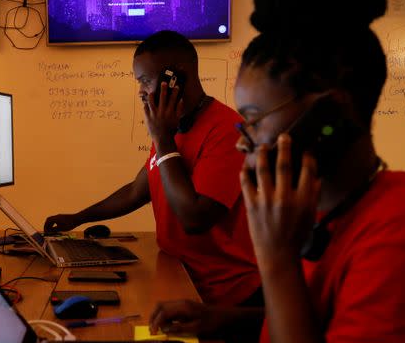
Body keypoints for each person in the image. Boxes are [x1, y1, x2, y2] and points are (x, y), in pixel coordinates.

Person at [150, 0, 405, 343]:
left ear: (329, 117)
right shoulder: (329, 212)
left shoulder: (403, 237)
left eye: (253, 121)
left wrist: (276, 262)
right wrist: (219, 319)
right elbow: (323, 329)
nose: (241, 141)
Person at [45, 30, 260, 310]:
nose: (141, 91)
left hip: (224, 298)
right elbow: (137, 191)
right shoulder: (173, 127)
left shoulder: (226, 131)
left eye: (145, 80)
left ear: (176, 77)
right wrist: (78, 218)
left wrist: (161, 138)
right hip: (180, 275)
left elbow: (194, 220)